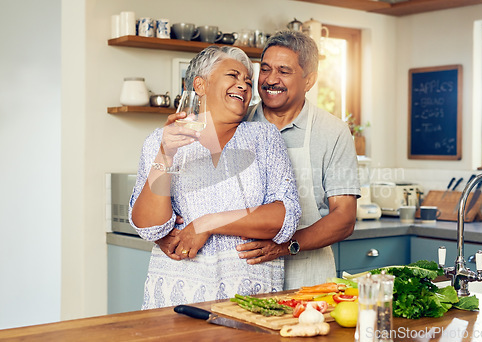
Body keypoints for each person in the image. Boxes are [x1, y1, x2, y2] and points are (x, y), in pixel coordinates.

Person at [128, 45, 301, 309]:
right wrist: (166, 154)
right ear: (200, 84)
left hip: (248, 300)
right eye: (233, 75)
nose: (243, 85)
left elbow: (284, 217)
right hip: (177, 300)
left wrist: (207, 223)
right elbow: (150, 226)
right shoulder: (161, 141)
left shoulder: (265, 139)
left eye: (247, 81)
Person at [236, 30, 360, 290]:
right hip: (244, 274)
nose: (271, 80)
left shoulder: (333, 131)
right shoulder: (237, 123)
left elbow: (344, 217)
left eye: (284, 71)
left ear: (309, 80)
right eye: (266, 69)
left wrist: (283, 246)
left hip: (309, 279)